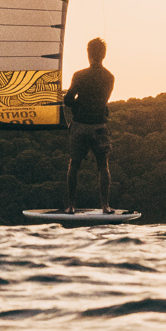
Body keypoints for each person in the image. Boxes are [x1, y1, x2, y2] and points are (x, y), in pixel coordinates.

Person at [62, 37, 116, 213]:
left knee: (74, 165)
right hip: (100, 126)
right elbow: (102, 101)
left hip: (80, 126)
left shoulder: (79, 75)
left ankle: (70, 205)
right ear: (104, 55)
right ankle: (105, 205)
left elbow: (69, 100)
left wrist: (73, 101)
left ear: (88, 54)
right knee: (103, 166)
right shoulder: (109, 77)